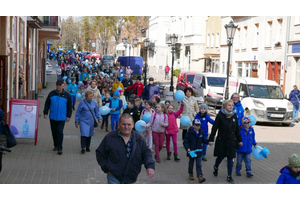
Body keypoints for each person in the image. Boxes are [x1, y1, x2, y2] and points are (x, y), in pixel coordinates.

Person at [96, 113, 155, 184]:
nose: (126, 127)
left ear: (133, 125)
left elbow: (146, 153)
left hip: (131, 177)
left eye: (129, 124)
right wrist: (106, 168)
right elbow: (100, 153)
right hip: (114, 177)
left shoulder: (139, 139)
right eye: (124, 124)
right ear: (118, 124)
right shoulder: (110, 137)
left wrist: (150, 166)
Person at [208, 99, 243, 184]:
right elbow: (214, 128)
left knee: (231, 158)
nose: (231, 107)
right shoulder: (220, 115)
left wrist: (239, 140)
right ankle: (216, 167)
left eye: (232, 105)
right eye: (229, 105)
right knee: (220, 157)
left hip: (231, 141)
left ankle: (229, 176)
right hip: (222, 140)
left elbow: (236, 130)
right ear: (225, 106)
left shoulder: (234, 116)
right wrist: (211, 139)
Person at [43, 80, 72, 155]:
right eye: (57, 85)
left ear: (63, 86)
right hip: (52, 116)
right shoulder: (51, 94)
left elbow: (69, 107)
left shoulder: (67, 95)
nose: (58, 86)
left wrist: (68, 116)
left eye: (60, 85)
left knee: (59, 132)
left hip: (62, 117)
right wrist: (45, 112)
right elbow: (47, 104)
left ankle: (60, 148)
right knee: (54, 132)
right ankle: (55, 145)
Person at [183, 119, 210, 183]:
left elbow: (203, 139)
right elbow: (185, 142)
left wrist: (208, 142)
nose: (198, 127)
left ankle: (200, 176)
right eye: (196, 125)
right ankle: (191, 173)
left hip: (198, 150)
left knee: (199, 164)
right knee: (191, 163)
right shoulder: (189, 132)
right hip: (192, 151)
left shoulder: (200, 131)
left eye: (199, 125)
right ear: (193, 125)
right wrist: (187, 148)